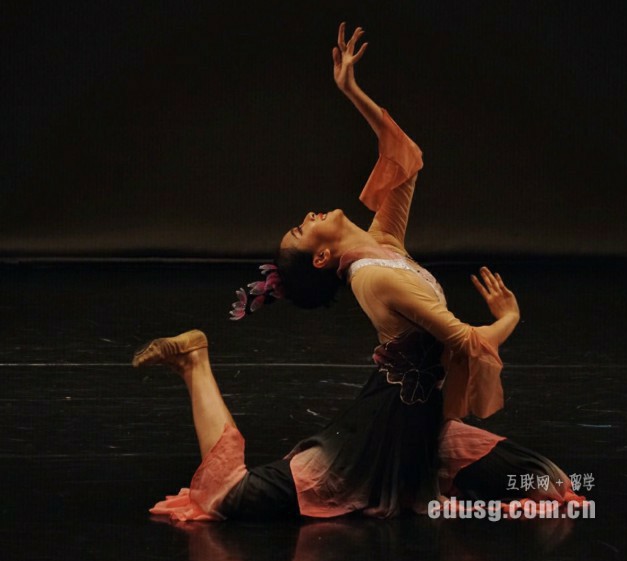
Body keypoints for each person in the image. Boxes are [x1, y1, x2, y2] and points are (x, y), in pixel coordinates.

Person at [134, 23, 582, 522]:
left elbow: (405, 159)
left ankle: (422, 465)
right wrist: (510, 316)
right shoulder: (374, 279)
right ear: (322, 257)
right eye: (302, 230)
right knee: (228, 497)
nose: (308, 216)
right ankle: (195, 360)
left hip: (423, 427)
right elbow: (467, 341)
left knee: (547, 482)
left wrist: (352, 91)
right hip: (377, 433)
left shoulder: (383, 242)